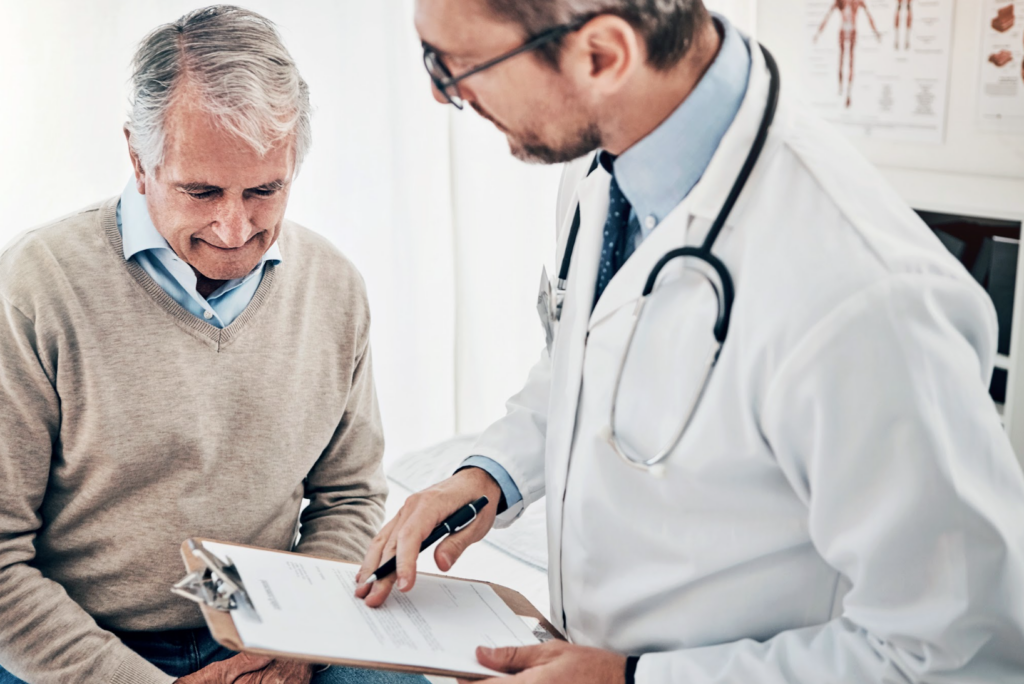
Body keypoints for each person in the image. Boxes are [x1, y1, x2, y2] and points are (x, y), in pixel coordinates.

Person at [357, 1, 1024, 683]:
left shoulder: (866, 297)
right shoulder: (607, 167)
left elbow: (952, 655)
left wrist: (632, 678)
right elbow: (585, 370)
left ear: (603, 56)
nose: (441, 92)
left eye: (461, 64)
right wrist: (486, 477)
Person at [0, 6, 425, 684]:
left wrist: (296, 646)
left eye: (265, 190)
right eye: (201, 192)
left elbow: (347, 499)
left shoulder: (334, 287)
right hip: (75, 642)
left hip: (272, 630)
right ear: (139, 162)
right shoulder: (33, 288)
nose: (235, 228)